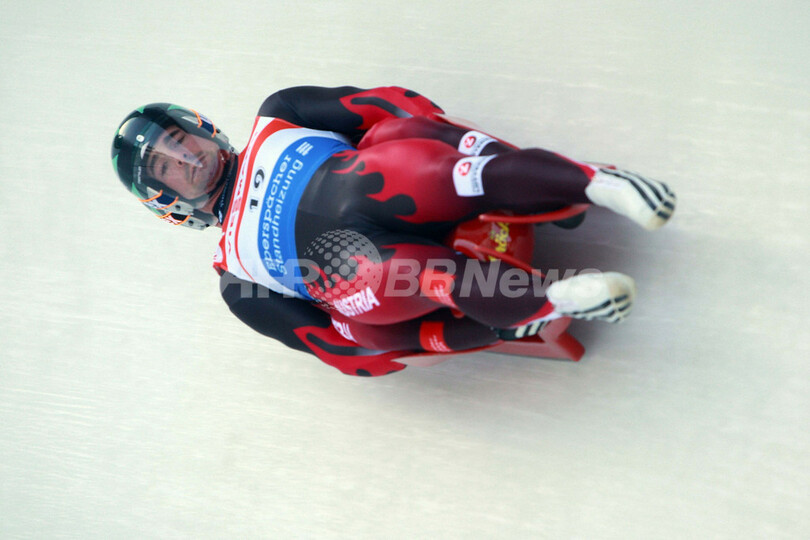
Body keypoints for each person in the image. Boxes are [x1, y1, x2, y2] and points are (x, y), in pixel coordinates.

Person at [111, 86, 676, 376]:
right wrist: (399, 344)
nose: (185, 158)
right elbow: (330, 347)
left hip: (373, 181)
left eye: (180, 141)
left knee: (422, 158)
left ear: (202, 129)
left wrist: (431, 130)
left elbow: (381, 102)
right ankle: (553, 302)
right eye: (167, 166)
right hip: (362, 271)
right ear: (168, 201)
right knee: (414, 283)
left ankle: (595, 185)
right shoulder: (235, 279)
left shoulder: (277, 115)